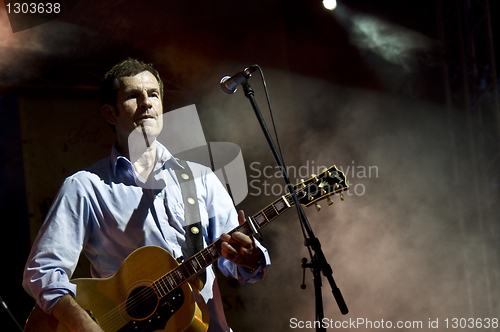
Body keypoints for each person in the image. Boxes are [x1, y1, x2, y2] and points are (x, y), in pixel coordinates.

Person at [22, 58, 270, 332]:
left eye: (153, 94)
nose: (146, 102)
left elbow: (235, 262)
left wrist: (250, 258)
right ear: (109, 113)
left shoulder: (201, 178)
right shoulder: (85, 187)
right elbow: (42, 272)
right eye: (132, 96)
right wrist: (83, 325)